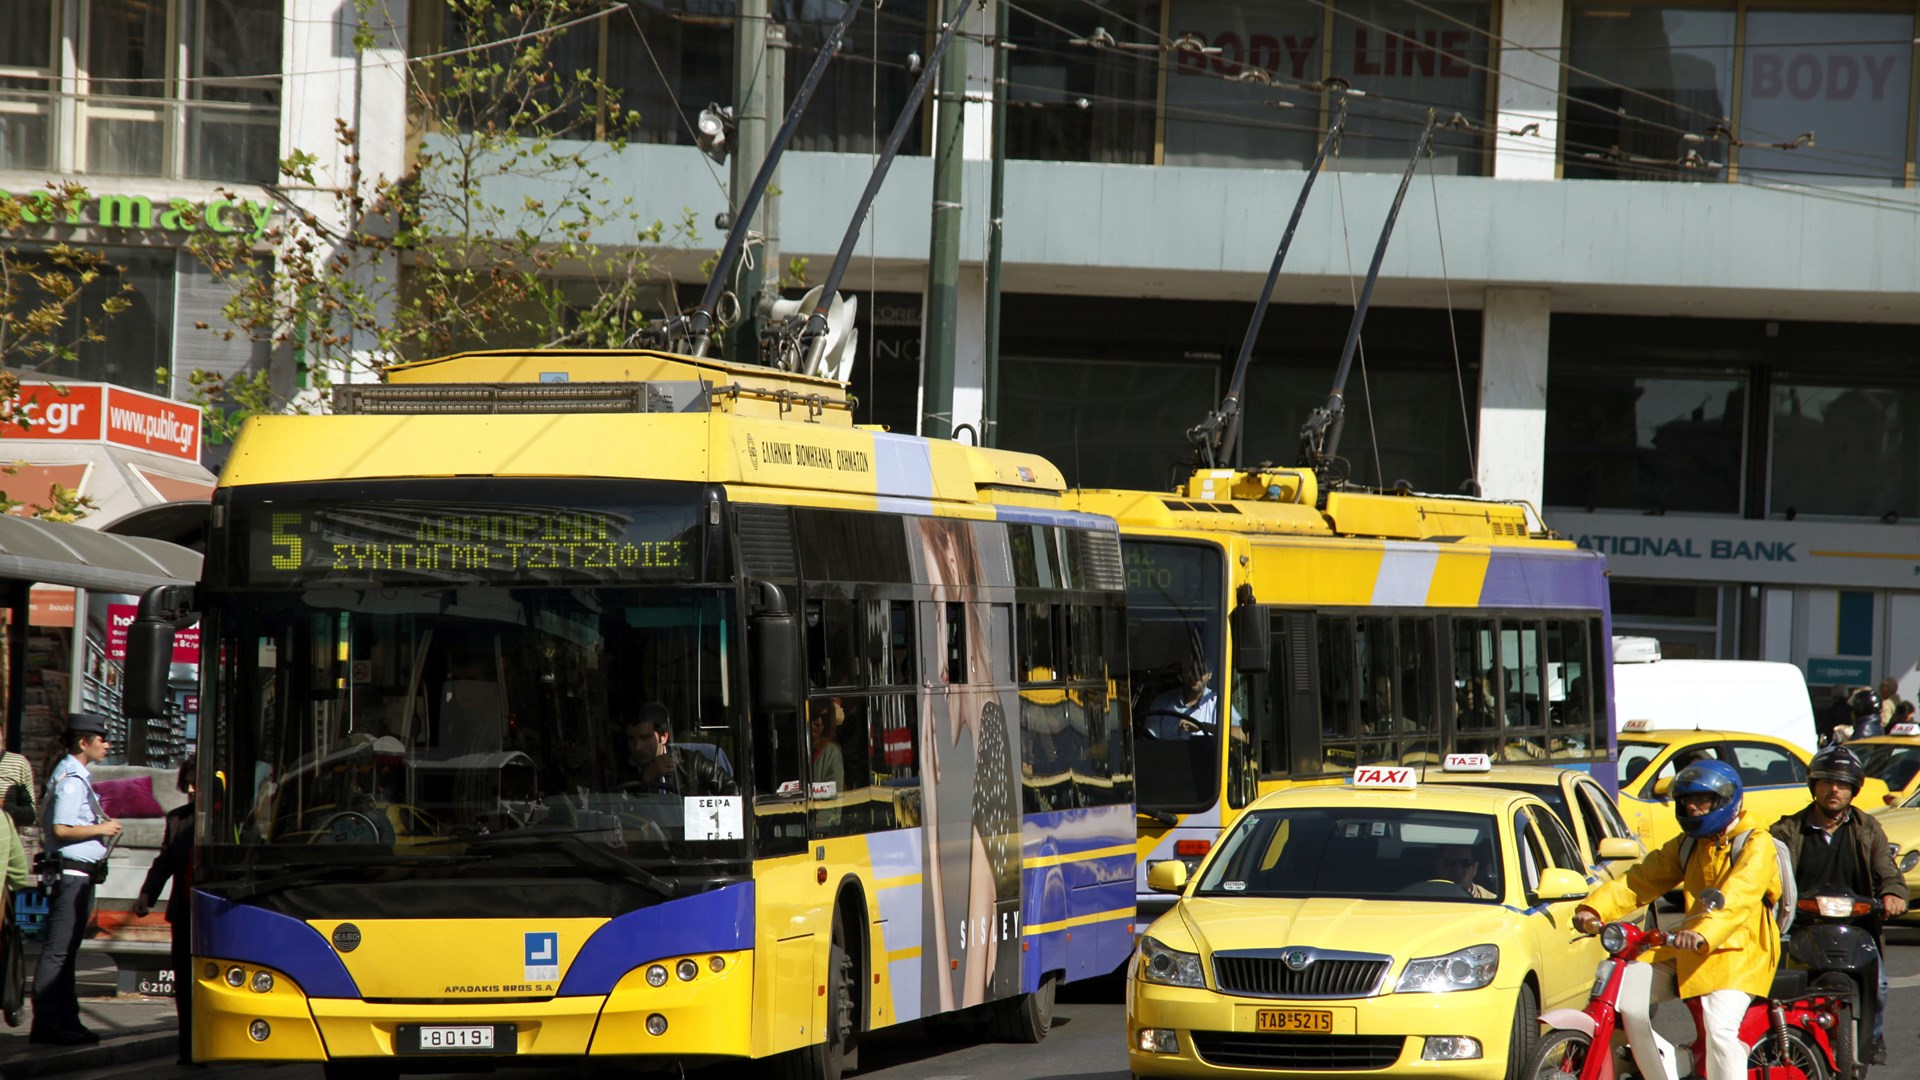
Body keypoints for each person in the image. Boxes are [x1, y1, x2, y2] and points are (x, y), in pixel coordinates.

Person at [1572, 760, 1780, 1080]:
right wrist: (1595, 909)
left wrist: (1702, 934)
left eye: (1702, 801)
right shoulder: (1689, 844)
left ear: (1726, 801)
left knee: (1720, 1032)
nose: (1693, 808)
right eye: (1686, 802)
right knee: (1624, 993)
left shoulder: (1755, 843)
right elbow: (1641, 878)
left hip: (1741, 953)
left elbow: (1739, 897)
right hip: (1689, 946)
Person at [1769, 745, 1908, 1065]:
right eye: (1827, 782)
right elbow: (1770, 874)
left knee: (1881, 986)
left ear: (1853, 790)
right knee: (1775, 988)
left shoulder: (1868, 828)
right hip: (1800, 926)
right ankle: (1780, 1044)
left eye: (1843, 784)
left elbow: (1887, 871)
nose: (1834, 790)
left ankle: (1872, 1038)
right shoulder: (1787, 830)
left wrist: (1892, 894)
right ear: (1814, 785)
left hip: (1858, 930)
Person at [32, 713, 121, 1046]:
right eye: (102, 739)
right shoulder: (71, 779)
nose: (107, 744)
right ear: (83, 742)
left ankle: (67, 1020)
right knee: (58, 952)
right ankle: (47, 1023)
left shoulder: (76, 776)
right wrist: (102, 828)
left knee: (68, 951)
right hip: (70, 875)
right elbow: (61, 828)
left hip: (79, 875)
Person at [134, 756, 196, 1066]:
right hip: (185, 913)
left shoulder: (233, 820)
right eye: (190, 784)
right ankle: (190, 1047)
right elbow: (165, 864)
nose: (195, 790)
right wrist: (147, 894)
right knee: (185, 981)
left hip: (223, 915)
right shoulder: (177, 820)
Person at [624, 703, 737, 797]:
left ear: (664, 737)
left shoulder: (691, 762)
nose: (638, 747)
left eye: (645, 738)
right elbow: (617, 808)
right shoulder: (624, 770)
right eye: (631, 739)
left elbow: (730, 787)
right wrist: (646, 778)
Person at [1143, 650, 1221, 739]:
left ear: (1210, 674)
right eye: (1189, 669)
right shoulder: (1162, 703)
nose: (1194, 674)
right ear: (1181, 673)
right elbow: (1150, 742)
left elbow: (1239, 734)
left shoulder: (1217, 702)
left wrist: (1203, 726)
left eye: (1200, 670)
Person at [809, 699, 845, 792]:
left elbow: (833, 803)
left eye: (825, 718)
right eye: (815, 715)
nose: (819, 722)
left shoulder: (831, 753)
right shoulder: (792, 749)